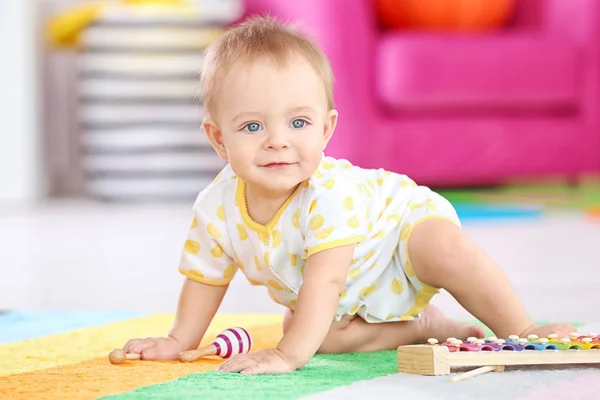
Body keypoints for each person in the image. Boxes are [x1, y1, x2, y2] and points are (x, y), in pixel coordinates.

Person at [121, 15, 577, 374]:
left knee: (445, 249)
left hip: (396, 233)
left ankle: (522, 325)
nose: (277, 141)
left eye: (298, 123)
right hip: (352, 286)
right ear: (219, 139)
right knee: (317, 334)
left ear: (326, 129)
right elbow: (205, 279)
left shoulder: (327, 194)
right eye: (252, 126)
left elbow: (326, 280)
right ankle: (421, 326)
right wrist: (179, 340)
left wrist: (286, 357)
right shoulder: (216, 206)